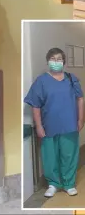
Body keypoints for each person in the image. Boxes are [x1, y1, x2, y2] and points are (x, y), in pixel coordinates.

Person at [24, 47, 84, 199]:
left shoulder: (71, 79)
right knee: (50, 156)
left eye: (59, 59)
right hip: (49, 126)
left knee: (69, 155)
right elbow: (35, 104)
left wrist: (80, 119)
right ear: (48, 61)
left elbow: (80, 98)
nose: (56, 62)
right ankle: (53, 184)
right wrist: (38, 126)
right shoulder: (41, 81)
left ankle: (69, 184)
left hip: (70, 125)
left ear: (63, 62)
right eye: (53, 59)